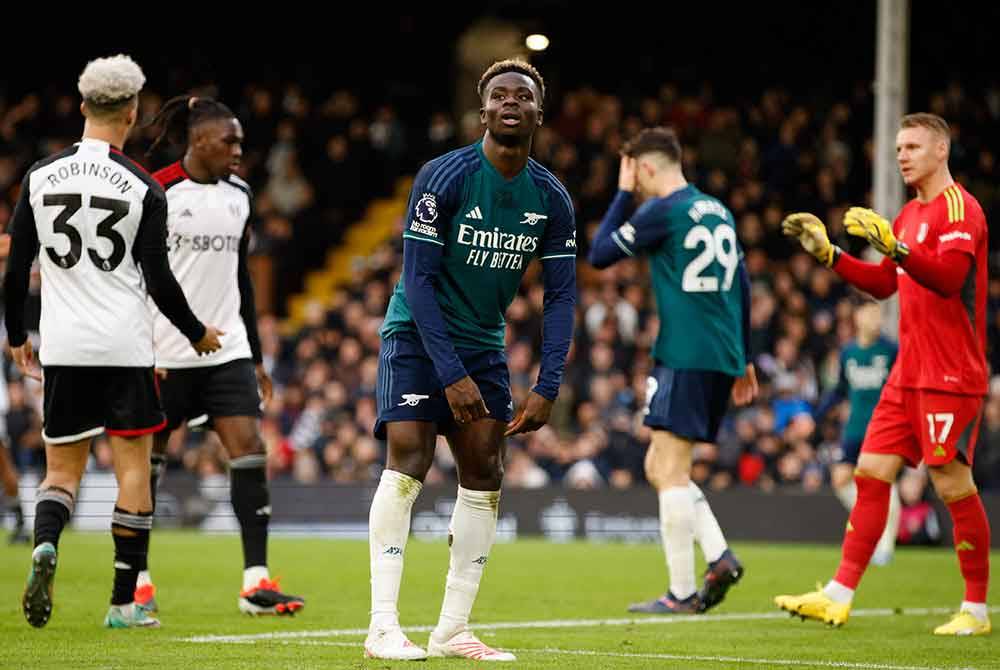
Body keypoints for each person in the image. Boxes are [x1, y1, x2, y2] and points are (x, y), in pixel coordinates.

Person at [365, 59, 576, 661]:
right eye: (500, 95)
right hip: (416, 331)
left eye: (524, 95)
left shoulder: (552, 198)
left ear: (539, 111)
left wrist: (549, 383)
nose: (512, 102)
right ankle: (383, 626)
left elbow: (560, 295)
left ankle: (452, 628)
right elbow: (419, 279)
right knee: (409, 456)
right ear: (483, 111)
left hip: (483, 342)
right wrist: (450, 375)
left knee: (485, 473)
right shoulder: (444, 175)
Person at [3, 54, 222, 629]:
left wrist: (15, 336)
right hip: (125, 348)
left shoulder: (40, 177)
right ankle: (124, 603)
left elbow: (14, 267)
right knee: (132, 472)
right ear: (131, 112)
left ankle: (46, 544)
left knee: (60, 475)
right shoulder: (144, 187)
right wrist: (196, 332)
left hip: (64, 346)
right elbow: (159, 278)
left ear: (82, 106)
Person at [776, 113, 991, 636]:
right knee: (869, 473)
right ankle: (838, 594)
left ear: (942, 150)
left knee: (951, 482)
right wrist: (830, 254)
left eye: (913, 146)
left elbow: (948, 278)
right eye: (898, 147)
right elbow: (885, 284)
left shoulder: (960, 209)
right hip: (908, 373)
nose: (902, 155)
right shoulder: (910, 212)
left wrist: (897, 247)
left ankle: (976, 610)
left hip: (950, 375)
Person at [136, 95, 303, 616]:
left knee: (250, 447)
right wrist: (141, 347)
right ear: (198, 140)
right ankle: (136, 583)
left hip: (225, 350)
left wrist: (253, 354)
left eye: (239, 141)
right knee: (146, 465)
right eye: (228, 140)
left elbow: (241, 279)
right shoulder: (156, 190)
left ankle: (256, 583)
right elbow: (135, 276)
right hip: (165, 351)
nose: (238, 149)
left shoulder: (241, 194)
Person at [588, 127, 759, 614]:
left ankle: (686, 590)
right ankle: (713, 561)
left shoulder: (664, 211)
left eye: (635, 175)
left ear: (644, 168)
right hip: (719, 355)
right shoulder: (718, 210)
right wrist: (744, 356)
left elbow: (600, 254)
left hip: (684, 353)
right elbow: (742, 286)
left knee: (670, 469)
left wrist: (621, 196)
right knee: (660, 467)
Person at [813, 301, 899, 564]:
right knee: (840, 479)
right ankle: (871, 525)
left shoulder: (891, 351)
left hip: (884, 428)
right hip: (855, 427)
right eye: (869, 313)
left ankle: (885, 546)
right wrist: (816, 415)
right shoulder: (848, 352)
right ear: (857, 317)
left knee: (882, 482)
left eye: (878, 314)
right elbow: (840, 389)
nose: (874, 319)